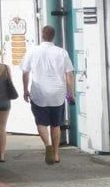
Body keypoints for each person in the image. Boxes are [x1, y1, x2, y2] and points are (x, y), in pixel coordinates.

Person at [20, 24, 75, 165]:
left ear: (42, 35)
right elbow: (69, 74)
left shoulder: (33, 51)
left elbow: (25, 72)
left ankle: (47, 145)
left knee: (41, 122)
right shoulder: (62, 52)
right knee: (56, 125)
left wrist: (25, 90)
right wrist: (71, 93)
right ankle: (56, 153)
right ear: (53, 36)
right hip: (57, 94)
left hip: (39, 93)